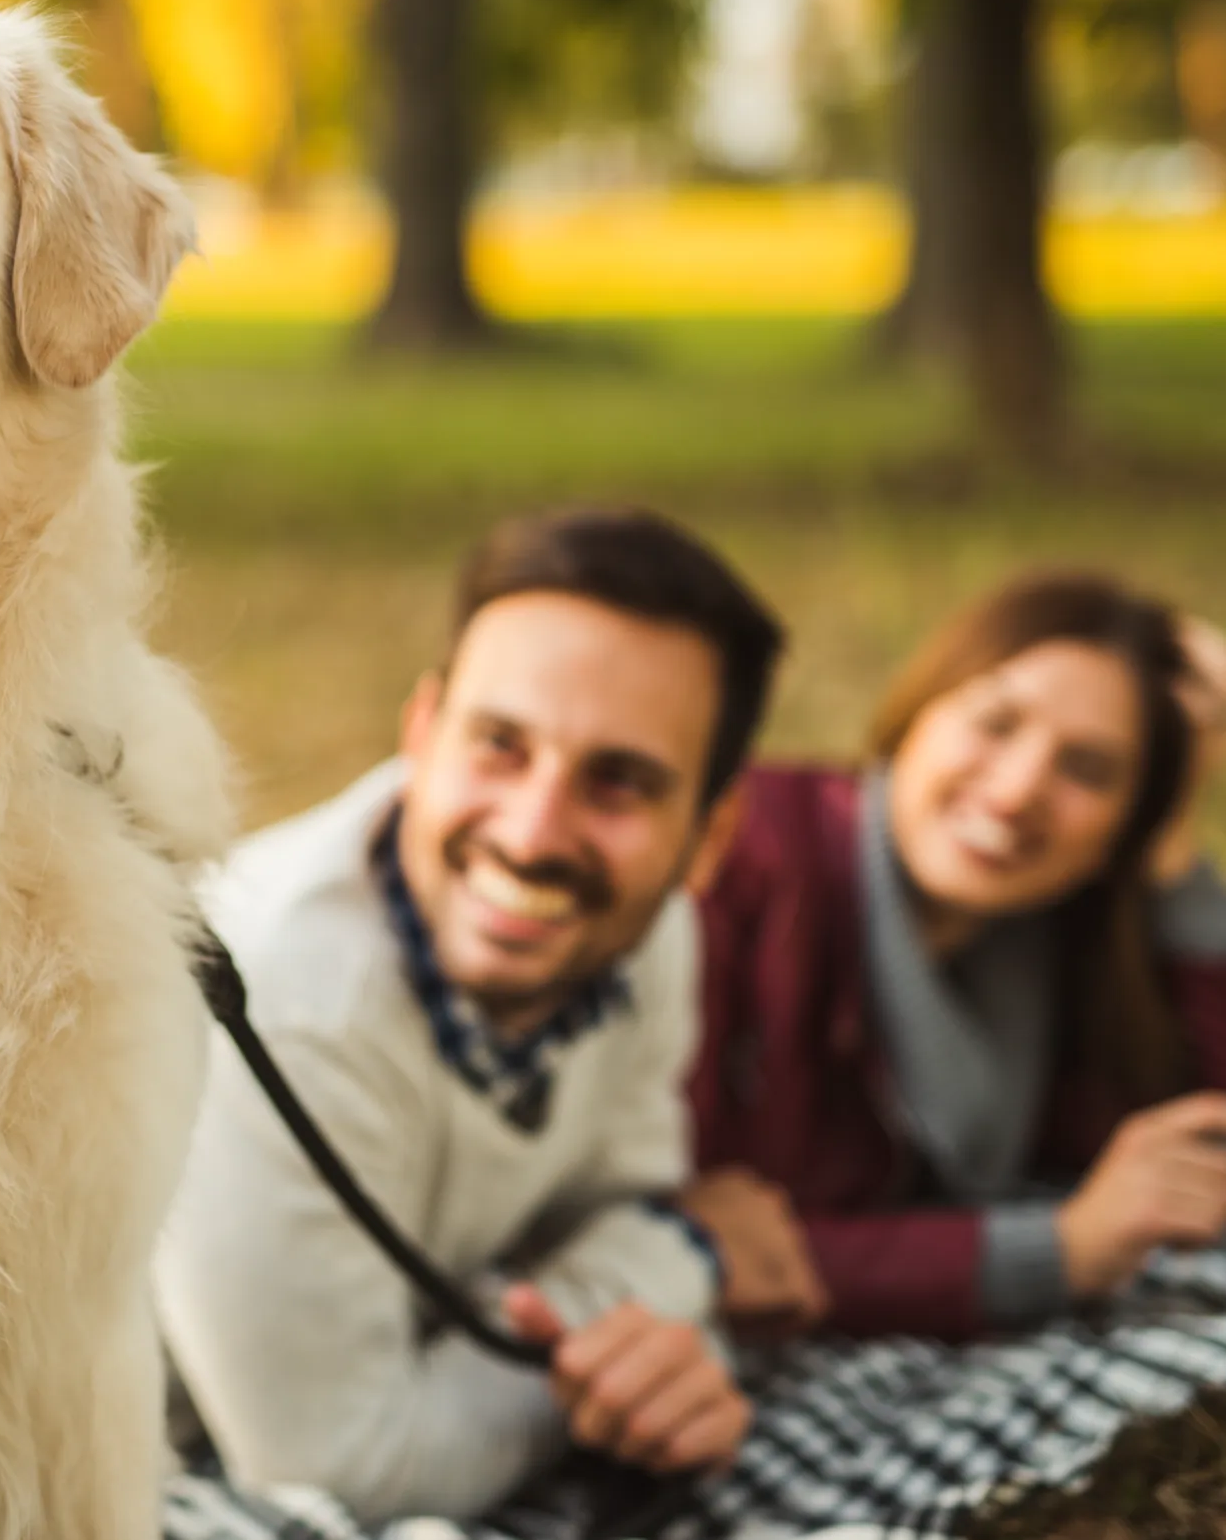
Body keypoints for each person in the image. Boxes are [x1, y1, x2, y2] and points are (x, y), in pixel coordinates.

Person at [156, 505, 785, 1524]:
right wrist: (683, 1263)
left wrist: (652, 1337)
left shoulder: (643, 928)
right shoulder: (277, 1003)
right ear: (420, 734)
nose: (534, 834)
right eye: (499, 744)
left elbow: (615, 1206)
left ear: (704, 839)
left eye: (618, 782)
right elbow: (343, 1468)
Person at [674, 571, 1226, 1343]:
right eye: (995, 722)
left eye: (1088, 770)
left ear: (1120, 832)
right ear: (915, 712)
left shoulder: (1043, 934)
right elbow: (685, 1242)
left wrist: (1171, 852)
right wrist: (1056, 1251)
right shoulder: (738, 862)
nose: (1014, 791)